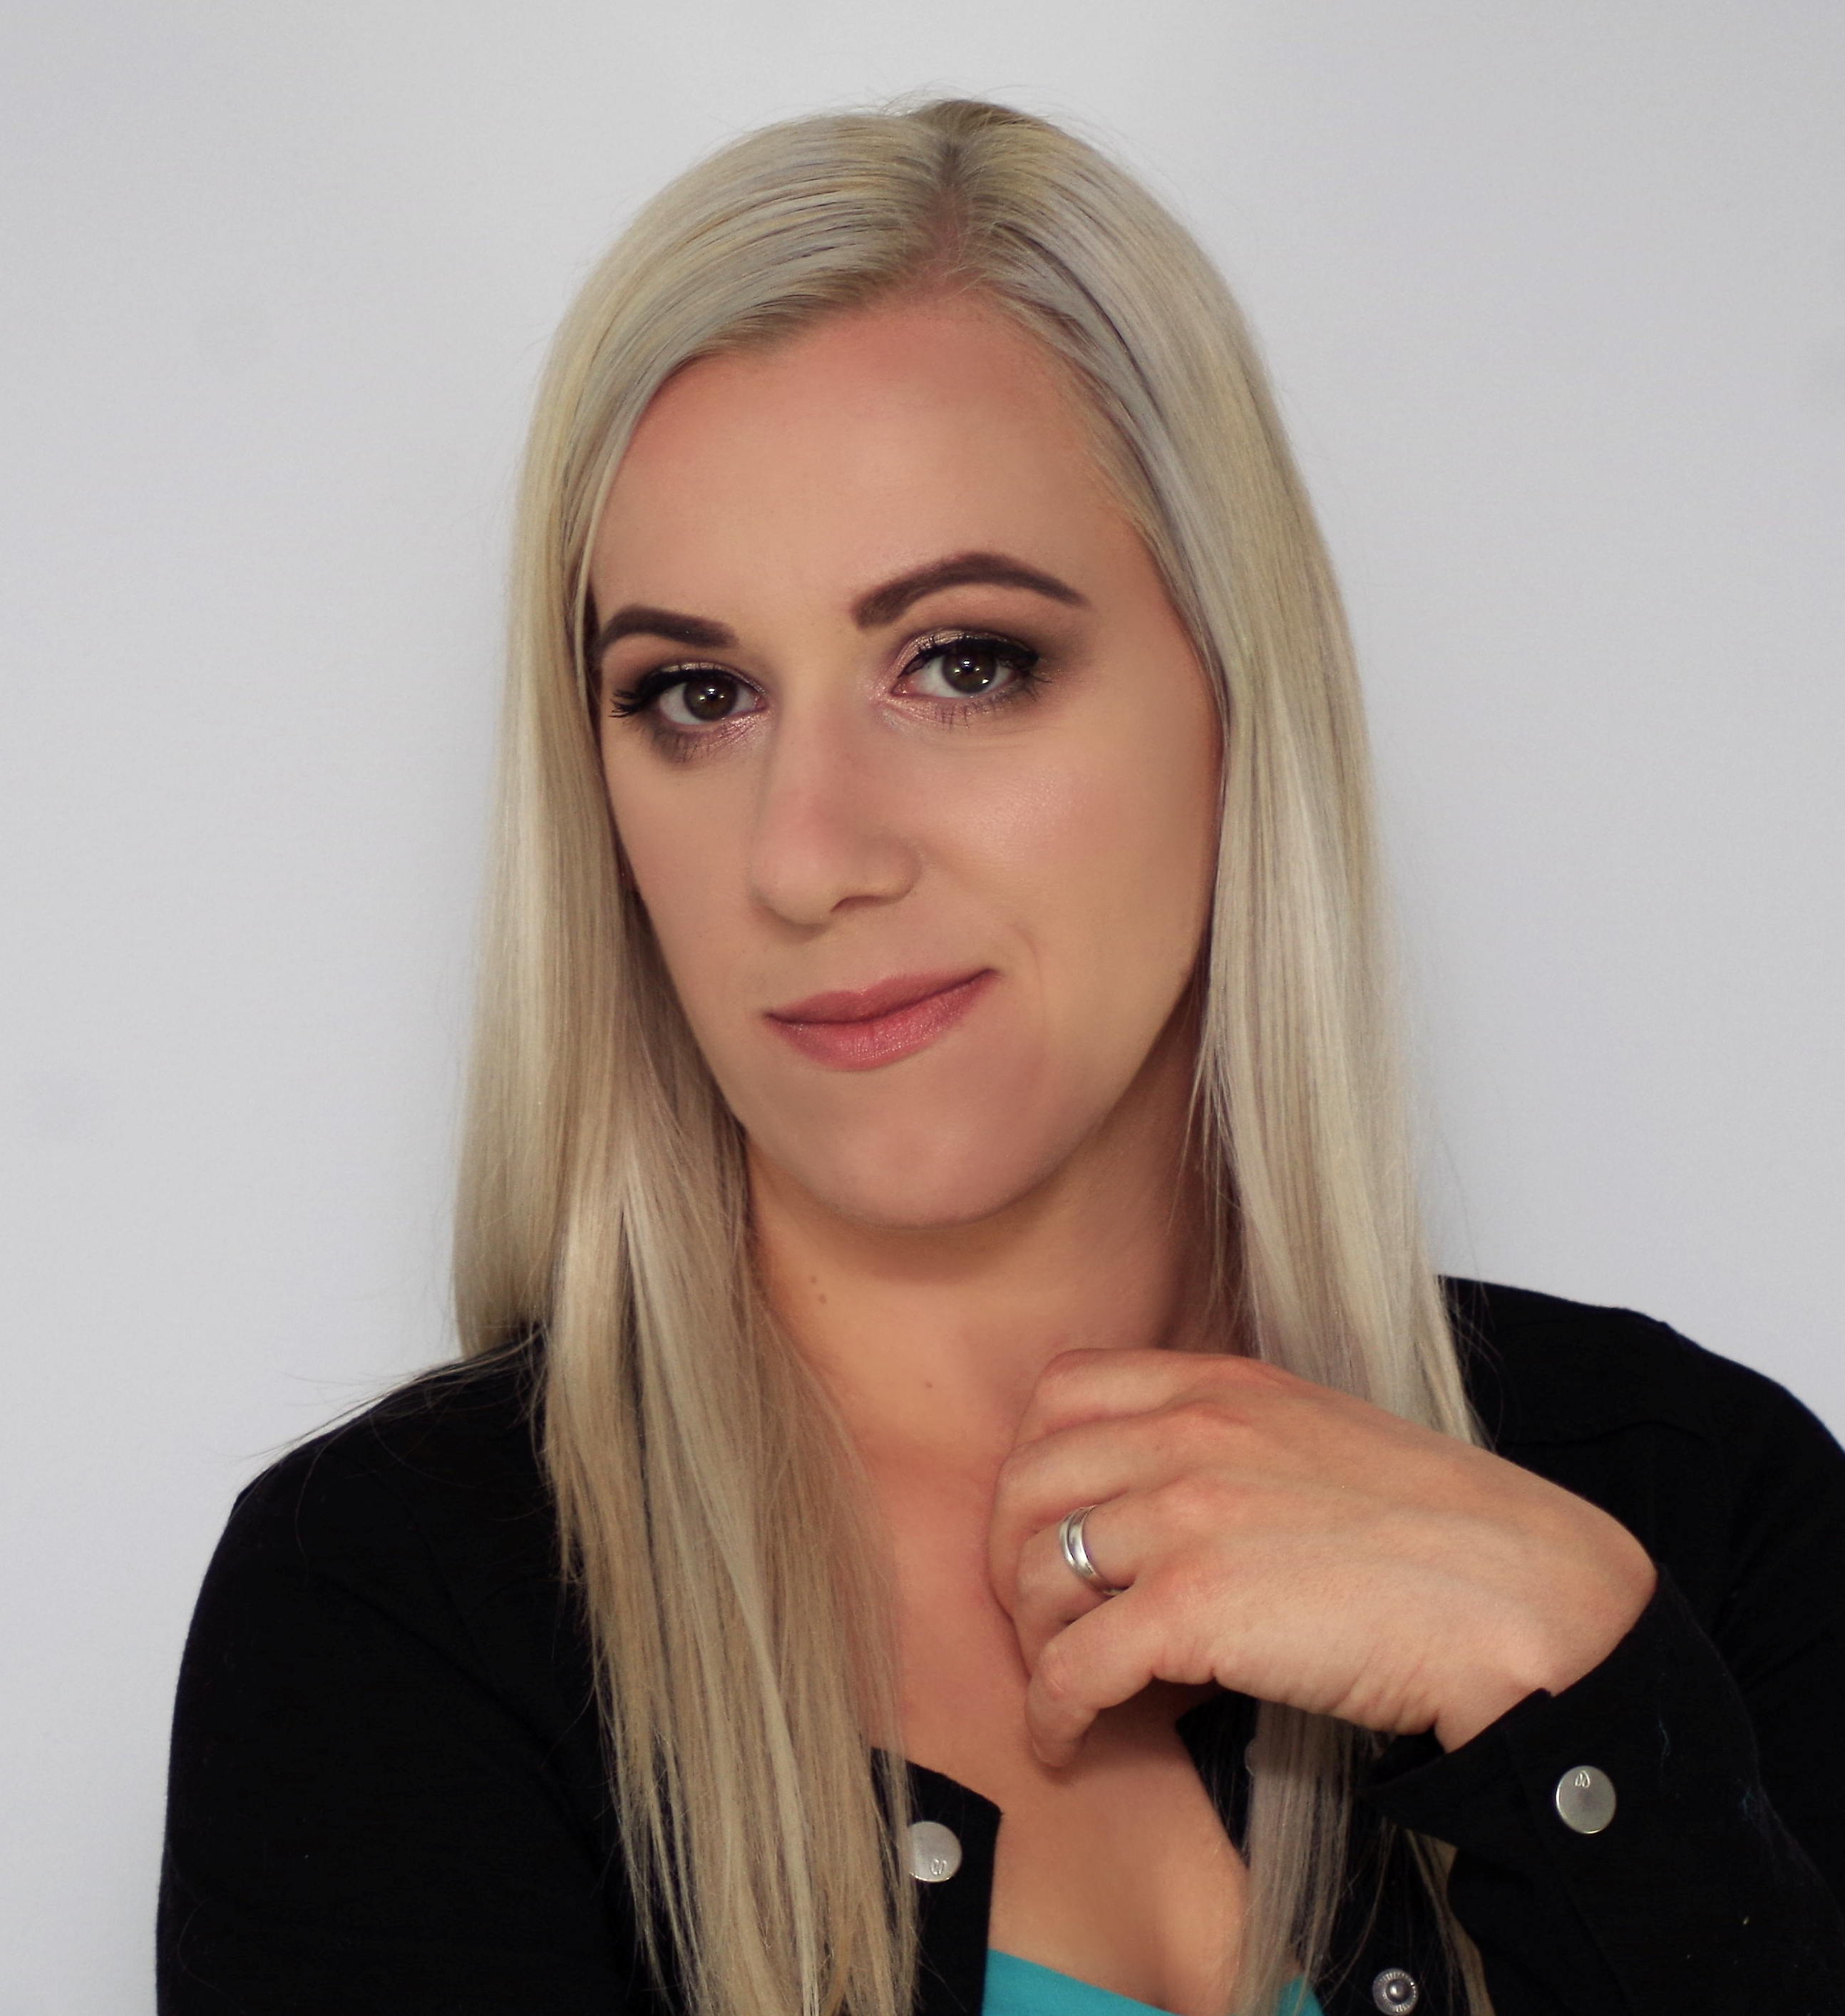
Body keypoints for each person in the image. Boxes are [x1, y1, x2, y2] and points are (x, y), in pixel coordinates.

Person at [156, 99, 1845, 2016]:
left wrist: (1588, 1731)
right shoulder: (402, 1612)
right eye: (694, 695)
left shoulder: (1681, 1518)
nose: (805, 857)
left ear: (1233, 687)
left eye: (962, 662)